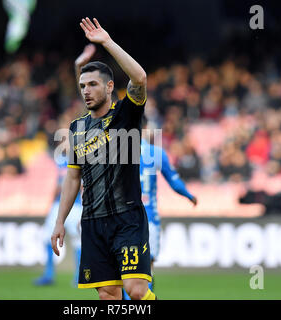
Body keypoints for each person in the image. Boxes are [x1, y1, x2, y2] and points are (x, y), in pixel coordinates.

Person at [51, 17, 156, 300]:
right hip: (93, 221)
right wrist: (60, 220)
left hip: (127, 218)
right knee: (108, 295)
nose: (86, 90)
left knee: (135, 291)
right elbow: (73, 177)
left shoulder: (126, 115)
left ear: (110, 87)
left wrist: (107, 42)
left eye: (93, 84)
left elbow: (140, 78)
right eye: (82, 85)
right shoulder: (76, 128)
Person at [123, 118, 197, 299]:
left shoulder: (118, 152)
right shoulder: (156, 153)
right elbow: (174, 181)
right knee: (147, 264)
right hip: (149, 218)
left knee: (125, 265)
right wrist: (188, 195)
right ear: (146, 128)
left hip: (124, 218)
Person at [34, 147, 82, 287]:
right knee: (47, 237)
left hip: (76, 204)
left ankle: (79, 276)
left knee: (78, 241)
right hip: (58, 204)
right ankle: (48, 274)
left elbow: (79, 183)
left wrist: (65, 188)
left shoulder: (84, 157)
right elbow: (57, 184)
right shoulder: (60, 160)